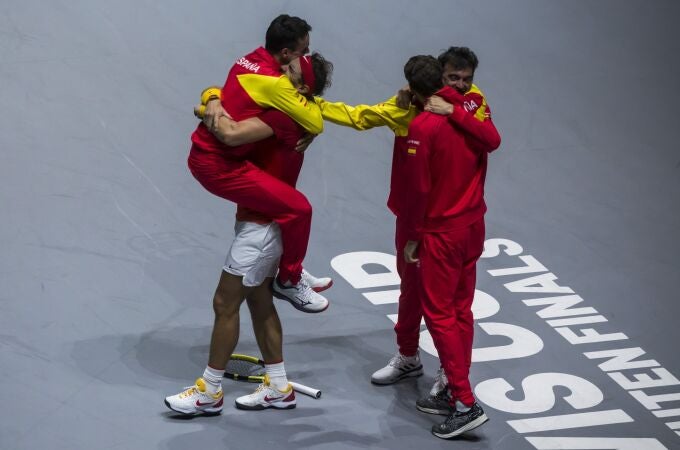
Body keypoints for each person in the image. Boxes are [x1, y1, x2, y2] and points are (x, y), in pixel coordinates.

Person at [315, 46, 499, 395]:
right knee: (410, 290)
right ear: (437, 77)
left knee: (448, 307)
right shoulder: (407, 109)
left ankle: (450, 374)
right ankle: (408, 355)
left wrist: (452, 109)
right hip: (413, 218)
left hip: (446, 225)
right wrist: (312, 106)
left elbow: (491, 139)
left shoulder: (472, 102)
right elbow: (360, 117)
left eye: (465, 79)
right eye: (452, 78)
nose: (460, 86)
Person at [164, 54, 333, 415]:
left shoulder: (280, 114)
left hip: (263, 225)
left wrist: (211, 108)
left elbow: (228, 132)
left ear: (301, 87)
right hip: (258, 214)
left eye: (287, 71)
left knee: (225, 303)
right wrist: (212, 99)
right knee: (258, 300)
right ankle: (278, 385)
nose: (278, 72)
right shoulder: (290, 106)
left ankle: (208, 392)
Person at [190, 14, 329, 313]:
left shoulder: (248, 59)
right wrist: (313, 129)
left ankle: (290, 266)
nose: (305, 57)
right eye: (302, 52)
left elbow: (221, 92)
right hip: (219, 165)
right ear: (285, 54)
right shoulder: (278, 86)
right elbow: (314, 118)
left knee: (286, 204)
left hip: (214, 156)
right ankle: (289, 280)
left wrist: (209, 100)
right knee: (299, 209)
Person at [399, 54, 490, 438]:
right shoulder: (471, 107)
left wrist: (415, 235)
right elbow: (493, 140)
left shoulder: (422, 126)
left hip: (442, 234)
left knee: (439, 315)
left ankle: (466, 403)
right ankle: (454, 389)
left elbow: (418, 189)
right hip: (473, 225)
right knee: (460, 309)